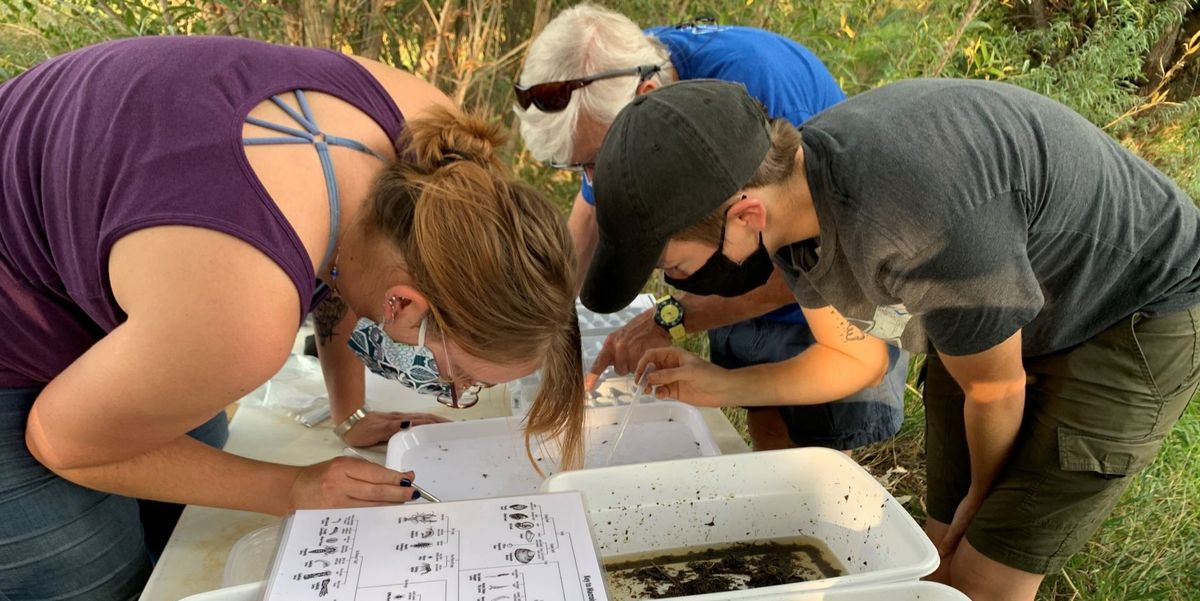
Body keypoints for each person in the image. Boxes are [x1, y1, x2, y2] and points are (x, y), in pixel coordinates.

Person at [0, 36, 583, 600]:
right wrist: (293, 487)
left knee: (185, 499)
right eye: (458, 380)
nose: (451, 390)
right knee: (90, 575)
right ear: (403, 305)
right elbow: (62, 441)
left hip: (130, 258)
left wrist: (349, 412)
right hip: (20, 316)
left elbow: (347, 261)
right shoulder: (239, 315)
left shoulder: (436, 147)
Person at [580, 79, 1200, 601]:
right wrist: (722, 386)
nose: (674, 282)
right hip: (1008, 302)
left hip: (1134, 308)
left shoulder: (910, 221)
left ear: (745, 215)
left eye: (675, 267)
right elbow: (853, 356)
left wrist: (980, 503)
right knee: (933, 558)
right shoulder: (795, 208)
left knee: (983, 573)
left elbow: (996, 385)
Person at [515, 3, 906, 453]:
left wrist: (674, 317)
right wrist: (544, 324)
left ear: (645, 92)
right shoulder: (616, 82)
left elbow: (797, 258)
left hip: (829, 303)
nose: (592, 179)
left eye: (594, 162)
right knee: (767, 433)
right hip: (732, 272)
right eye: (579, 168)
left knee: (817, 454)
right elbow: (587, 218)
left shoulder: (752, 91)